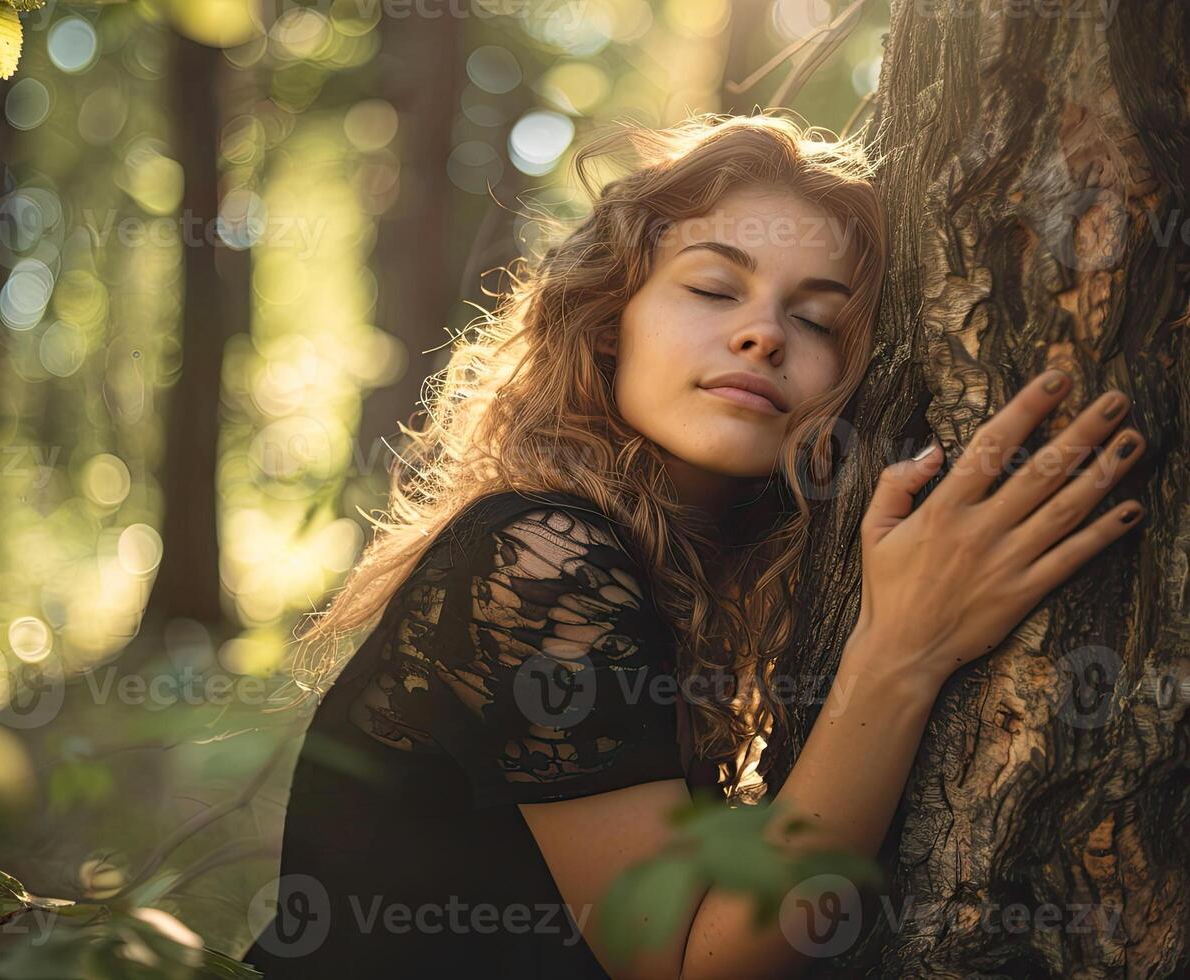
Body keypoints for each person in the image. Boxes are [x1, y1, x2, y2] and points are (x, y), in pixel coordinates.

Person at [241, 112, 1146, 979]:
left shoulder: (682, 580)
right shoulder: (538, 558)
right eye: (713, 288)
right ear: (609, 320)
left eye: (819, 320)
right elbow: (687, 962)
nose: (760, 333)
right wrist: (902, 652)